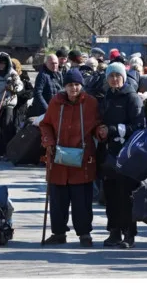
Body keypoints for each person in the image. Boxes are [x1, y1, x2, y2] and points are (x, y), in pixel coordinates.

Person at [39, 69, 103, 247]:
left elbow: (97, 124)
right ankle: (59, 233)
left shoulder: (91, 103)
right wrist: (48, 142)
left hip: (82, 159)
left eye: (76, 84)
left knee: (81, 200)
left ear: (81, 85)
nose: (73, 88)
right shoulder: (56, 102)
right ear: (64, 86)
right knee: (58, 199)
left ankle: (84, 234)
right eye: (69, 85)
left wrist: (101, 132)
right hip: (58, 158)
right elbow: (45, 124)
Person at [97, 62, 144, 249]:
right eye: (111, 76)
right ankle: (114, 231)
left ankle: (129, 233)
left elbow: (139, 127)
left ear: (124, 77)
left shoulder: (132, 97)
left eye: (118, 76)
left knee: (126, 196)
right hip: (109, 153)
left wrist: (113, 130)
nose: (114, 79)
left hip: (128, 155)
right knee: (110, 194)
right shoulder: (107, 96)